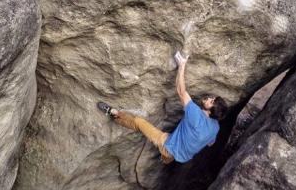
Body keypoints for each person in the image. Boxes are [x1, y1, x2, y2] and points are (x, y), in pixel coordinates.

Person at [97, 51, 228, 164]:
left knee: (139, 122)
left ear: (210, 112)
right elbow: (211, 143)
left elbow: (181, 91)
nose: (210, 98)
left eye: (211, 102)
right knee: (168, 157)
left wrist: (182, 65)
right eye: (213, 98)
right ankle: (164, 160)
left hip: (168, 145)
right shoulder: (215, 127)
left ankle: (114, 114)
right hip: (183, 156)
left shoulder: (195, 115)